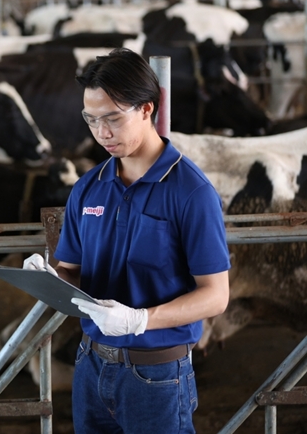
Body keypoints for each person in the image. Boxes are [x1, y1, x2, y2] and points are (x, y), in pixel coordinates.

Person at [24, 48, 230, 433]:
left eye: (113, 119)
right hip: (91, 365)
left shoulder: (191, 192)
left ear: (147, 109)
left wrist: (140, 319)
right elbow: (70, 272)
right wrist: (47, 279)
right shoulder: (87, 189)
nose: (102, 133)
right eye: (91, 120)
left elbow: (216, 296)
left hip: (158, 374)